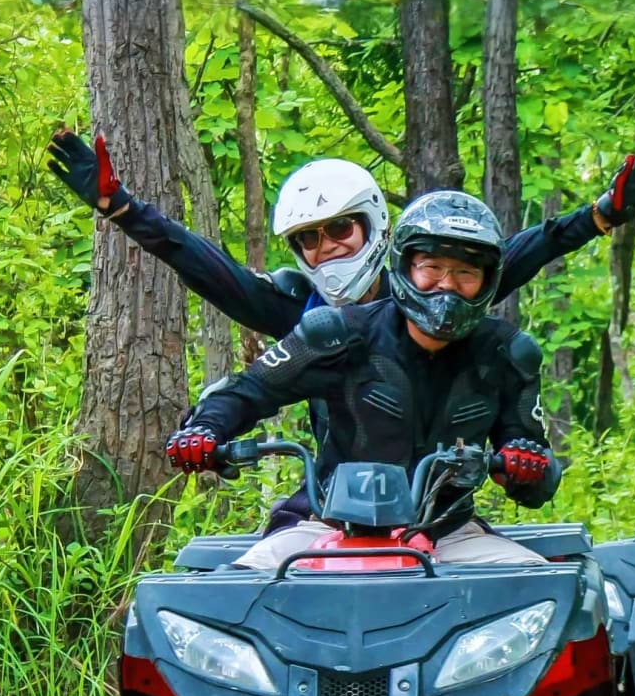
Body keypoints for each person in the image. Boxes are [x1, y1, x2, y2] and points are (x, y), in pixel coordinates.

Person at [164, 191, 558, 568]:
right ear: (405, 267)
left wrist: (524, 465)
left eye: (466, 273)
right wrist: (205, 428)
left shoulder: (508, 354)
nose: (447, 285)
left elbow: (536, 475)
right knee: (228, 601)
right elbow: (250, 390)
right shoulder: (335, 334)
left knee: (553, 598)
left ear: (487, 281)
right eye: (432, 268)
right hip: (329, 525)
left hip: (449, 534)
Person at [46, 129, 635, 338]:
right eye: (309, 240)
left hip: (438, 506)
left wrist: (598, 215)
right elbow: (201, 262)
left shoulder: (434, 287)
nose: (328, 248)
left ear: (373, 222)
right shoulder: (298, 310)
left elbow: (523, 250)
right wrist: (124, 209)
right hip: (331, 503)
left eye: (339, 228)